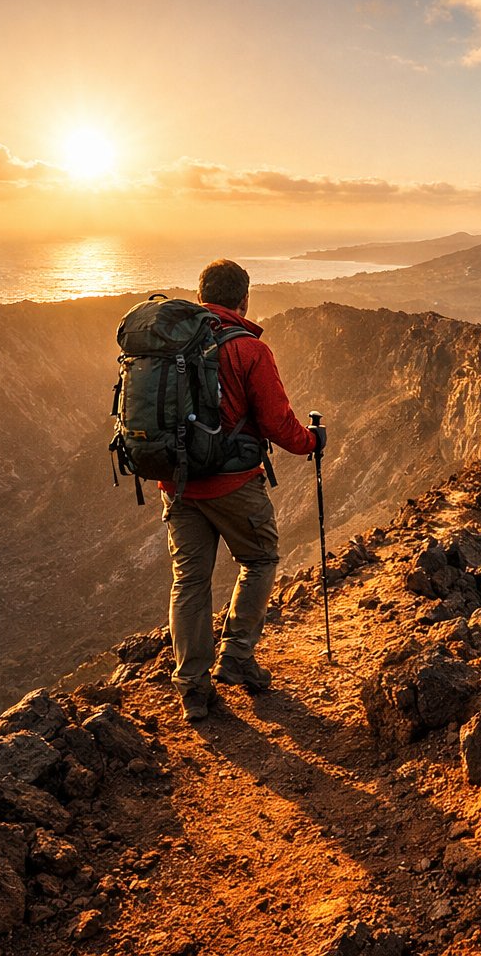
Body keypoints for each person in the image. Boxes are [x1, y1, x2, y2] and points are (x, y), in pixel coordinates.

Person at [161, 259, 323, 722]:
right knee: (260, 559)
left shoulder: (172, 344)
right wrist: (312, 442)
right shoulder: (249, 349)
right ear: (245, 299)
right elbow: (278, 422)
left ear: (200, 297)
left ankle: (193, 688)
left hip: (178, 484)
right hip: (233, 485)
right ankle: (236, 655)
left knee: (189, 581)